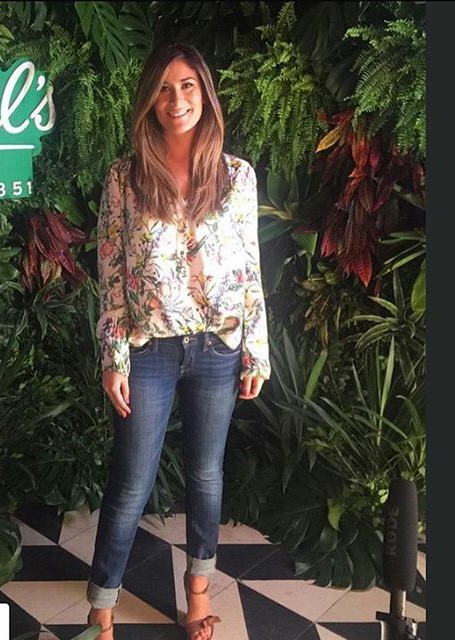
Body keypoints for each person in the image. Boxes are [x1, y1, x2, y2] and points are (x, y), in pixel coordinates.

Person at [86, 43, 271, 640]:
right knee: (131, 481)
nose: (177, 99)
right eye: (164, 87)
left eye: (188, 85)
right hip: (150, 350)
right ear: (150, 99)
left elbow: (250, 267)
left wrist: (256, 349)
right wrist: (114, 355)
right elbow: (112, 271)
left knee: (206, 476)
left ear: (205, 93)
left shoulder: (237, 175)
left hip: (219, 348)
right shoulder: (125, 177)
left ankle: (198, 595)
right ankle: (102, 608)